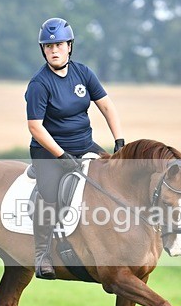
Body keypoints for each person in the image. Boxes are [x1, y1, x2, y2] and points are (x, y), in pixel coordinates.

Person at [25, 17, 125, 280]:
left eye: (59, 44)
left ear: (69, 46)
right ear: (43, 50)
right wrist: (61, 155)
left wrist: (119, 140)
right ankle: (42, 254)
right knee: (50, 194)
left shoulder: (83, 73)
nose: (54, 50)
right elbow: (35, 127)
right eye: (48, 46)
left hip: (84, 144)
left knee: (115, 178)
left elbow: (106, 106)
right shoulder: (39, 84)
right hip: (48, 151)